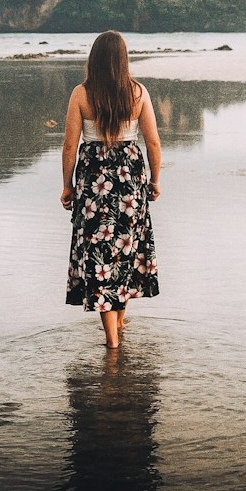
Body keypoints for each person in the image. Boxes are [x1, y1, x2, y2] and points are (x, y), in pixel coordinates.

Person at [63, 31, 162, 349]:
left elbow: (69, 146)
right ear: (123, 60)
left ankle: (112, 340)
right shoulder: (138, 92)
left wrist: (67, 186)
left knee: (100, 258)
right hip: (130, 182)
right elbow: (153, 143)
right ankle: (117, 326)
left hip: (93, 184)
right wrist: (155, 181)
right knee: (125, 252)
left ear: (93, 59)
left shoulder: (81, 93)